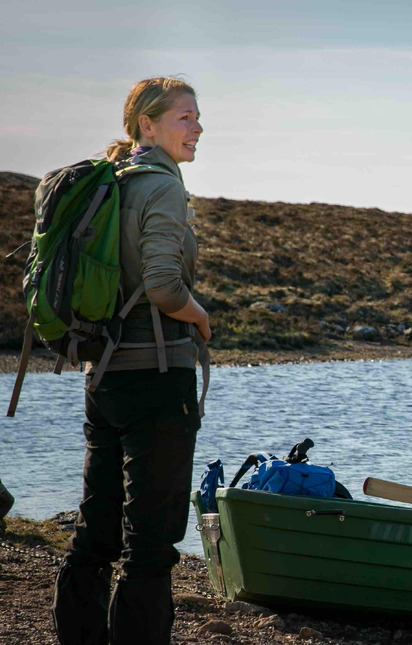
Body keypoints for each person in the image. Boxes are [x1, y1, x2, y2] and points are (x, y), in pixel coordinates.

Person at [52, 77, 210, 645]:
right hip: (158, 376)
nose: (198, 128)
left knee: (95, 531)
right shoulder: (161, 186)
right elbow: (164, 286)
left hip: (103, 376)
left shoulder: (111, 181)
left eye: (197, 117)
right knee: (150, 540)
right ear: (147, 124)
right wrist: (200, 317)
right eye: (185, 117)